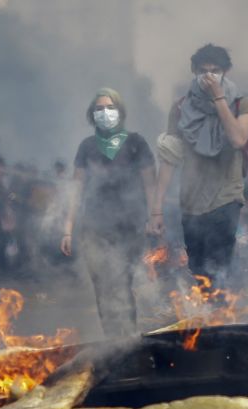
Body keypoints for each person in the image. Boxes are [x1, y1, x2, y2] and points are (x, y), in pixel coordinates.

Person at [149, 44, 248, 289]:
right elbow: (169, 158)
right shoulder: (180, 108)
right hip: (191, 203)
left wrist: (218, 99)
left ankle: (219, 320)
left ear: (226, 71)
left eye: (215, 70)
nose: (209, 76)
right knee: (197, 270)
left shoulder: (242, 105)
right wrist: (156, 210)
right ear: (193, 70)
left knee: (219, 269)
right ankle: (205, 320)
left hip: (226, 198)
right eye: (203, 70)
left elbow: (238, 139)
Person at [61, 88, 156, 337]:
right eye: (99, 109)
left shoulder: (136, 142)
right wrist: (67, 229)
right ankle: (112, 341)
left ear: (120, 111)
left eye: (110, 107)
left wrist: (155, 216)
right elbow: (76, 188)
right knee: (102, 287)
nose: (105, 113)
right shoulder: (87, 146)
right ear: (92, 115)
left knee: (123, 283)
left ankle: (129, 338)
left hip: (130, 226)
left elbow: (150, 183)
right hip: (94, 226)